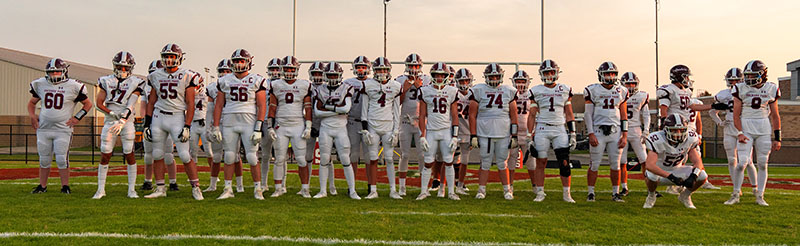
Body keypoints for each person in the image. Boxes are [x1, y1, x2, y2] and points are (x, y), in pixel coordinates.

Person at [143, 43, 204, 200]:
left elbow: (190, 103)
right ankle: (160, 188)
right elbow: (151, 102)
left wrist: (187, 125)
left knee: (184, 155)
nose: (169, 60)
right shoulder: (155, 75)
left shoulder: (187, 75)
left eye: (172, 56)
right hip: (158, 116)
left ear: (179, 58)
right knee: (157, 153)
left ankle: (196, 187)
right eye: (166, 57)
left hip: (177, 116)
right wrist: (146, 124)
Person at [209, 49, 267, 200]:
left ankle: (258, 189)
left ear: (248, 62)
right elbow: (219, 105)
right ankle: (228, 188)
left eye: (241, 61)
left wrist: (259, 127)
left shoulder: (256, 79)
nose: (238, 64)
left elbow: (262, 105)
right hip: (229, 120)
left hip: (249, 121)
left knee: (252, 157)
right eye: (236, 61)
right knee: (229, 156)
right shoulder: (224, 80)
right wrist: (216, 126)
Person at [29, 58, 93, 194]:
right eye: (51, 72)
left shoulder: (74, 86)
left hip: (62, 129)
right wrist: (32, 116)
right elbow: (32, 103)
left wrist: (77, 118)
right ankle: (42, 186)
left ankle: (65, 186)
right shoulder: (40, 84)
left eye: (57, 72)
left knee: (61, 158)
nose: (54, 75)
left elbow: (88, 105)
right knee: (44, 158)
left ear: (64, 71)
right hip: (44, 128)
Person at [728, 60, 782, 206]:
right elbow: (736, 115)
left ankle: (760, 196)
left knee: (763, 163)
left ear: (762, 74)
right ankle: (735, 194)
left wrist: (777, 138)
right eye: (747, 75)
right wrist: (739, 132)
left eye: (753, 75)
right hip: (746, 125)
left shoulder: (771, 88)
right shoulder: (740, 88)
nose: (749, 78)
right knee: (742, 163)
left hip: (763, 127)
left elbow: (775, 115)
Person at [93, 51, 145, 199]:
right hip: (110, 121)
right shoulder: (106, 80)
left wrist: (122, 120)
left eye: (125, 67)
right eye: (120, 67)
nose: (122, 70)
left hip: (127, 122)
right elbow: (98, 104)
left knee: (129, 152)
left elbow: (131, 104)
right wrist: (111, 113)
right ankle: (100, 189)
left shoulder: (136, 82)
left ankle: (131, 190)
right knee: (105, 153)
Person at [526, 59, 576, 203]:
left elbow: (569, 113)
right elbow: (532, 114)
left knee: (564, 162)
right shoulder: (536, 90)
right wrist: (530, 136)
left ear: (556, 73)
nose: (549, 75)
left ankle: (567, 194)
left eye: (551, 72)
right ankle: (540, 192)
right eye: (546, 72)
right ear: (542, 74)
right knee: (541, 161)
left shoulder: (565, 89)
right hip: (542, 128)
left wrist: (572, 133)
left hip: (559, 128)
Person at [468, 63, 518, 200]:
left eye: (496, 76)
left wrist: (514, 135)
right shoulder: (478, 90)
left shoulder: (509, 90)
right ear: (486, 77)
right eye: (492, 76)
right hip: (485, 131)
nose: (494, 78)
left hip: (503, 131)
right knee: (485, 161)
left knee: (503, 162)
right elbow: (472, 114)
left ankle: (507, 190)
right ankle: (481, 190)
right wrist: (473, 135)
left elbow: (514, 114)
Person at [583, 61, 628, 202]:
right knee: (594, 164)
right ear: (601, 75)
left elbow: (624, 115)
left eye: (613, 74)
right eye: (607, 73)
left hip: (615, 131)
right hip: (598, 131)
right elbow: (587, 114)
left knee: (615, 164)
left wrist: (624, 134)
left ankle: (615, 193)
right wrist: (590, 133)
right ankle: (591, 193)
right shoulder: (593, 90)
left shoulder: (621, 90)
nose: (610, 76)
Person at [359, 57, 403, 199]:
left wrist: (396, 130)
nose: (382, 72)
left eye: (384, 69)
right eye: (379, 70)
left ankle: (393, 190)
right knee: (373, 158)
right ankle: (373, 190)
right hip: (372, 125)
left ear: (389, 70)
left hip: (388, 125)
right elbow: (364, 109)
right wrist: (365, 128)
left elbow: (397, 111)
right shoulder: (368, 85)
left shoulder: (396, 86)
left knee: (389, 158)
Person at [643, 113, 708, 209]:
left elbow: (698, 162)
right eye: (674, 130)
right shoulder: (656, 139)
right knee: (651, 175)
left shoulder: (690, 138)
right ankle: (651, 195)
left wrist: (694, 176)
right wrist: (670, 177)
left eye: (681, 130)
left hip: (677, 169)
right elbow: (650, 165)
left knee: (702, 175)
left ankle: (685, 196)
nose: (678, 133)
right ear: (666, 130)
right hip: (660, 172)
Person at [416, 62, 460, 200]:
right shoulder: (425, 90)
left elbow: (454, 115)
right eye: (437, 75)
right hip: (431, 131)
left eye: (442, 75)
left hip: (446, 131)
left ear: (446, 76)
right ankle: (424, 191)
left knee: (448, 161)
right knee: (428, 162)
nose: (440, 78)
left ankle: (451, 192)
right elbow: (422, 115)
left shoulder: (452, 91)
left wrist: (455, 136)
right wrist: (422, 135)